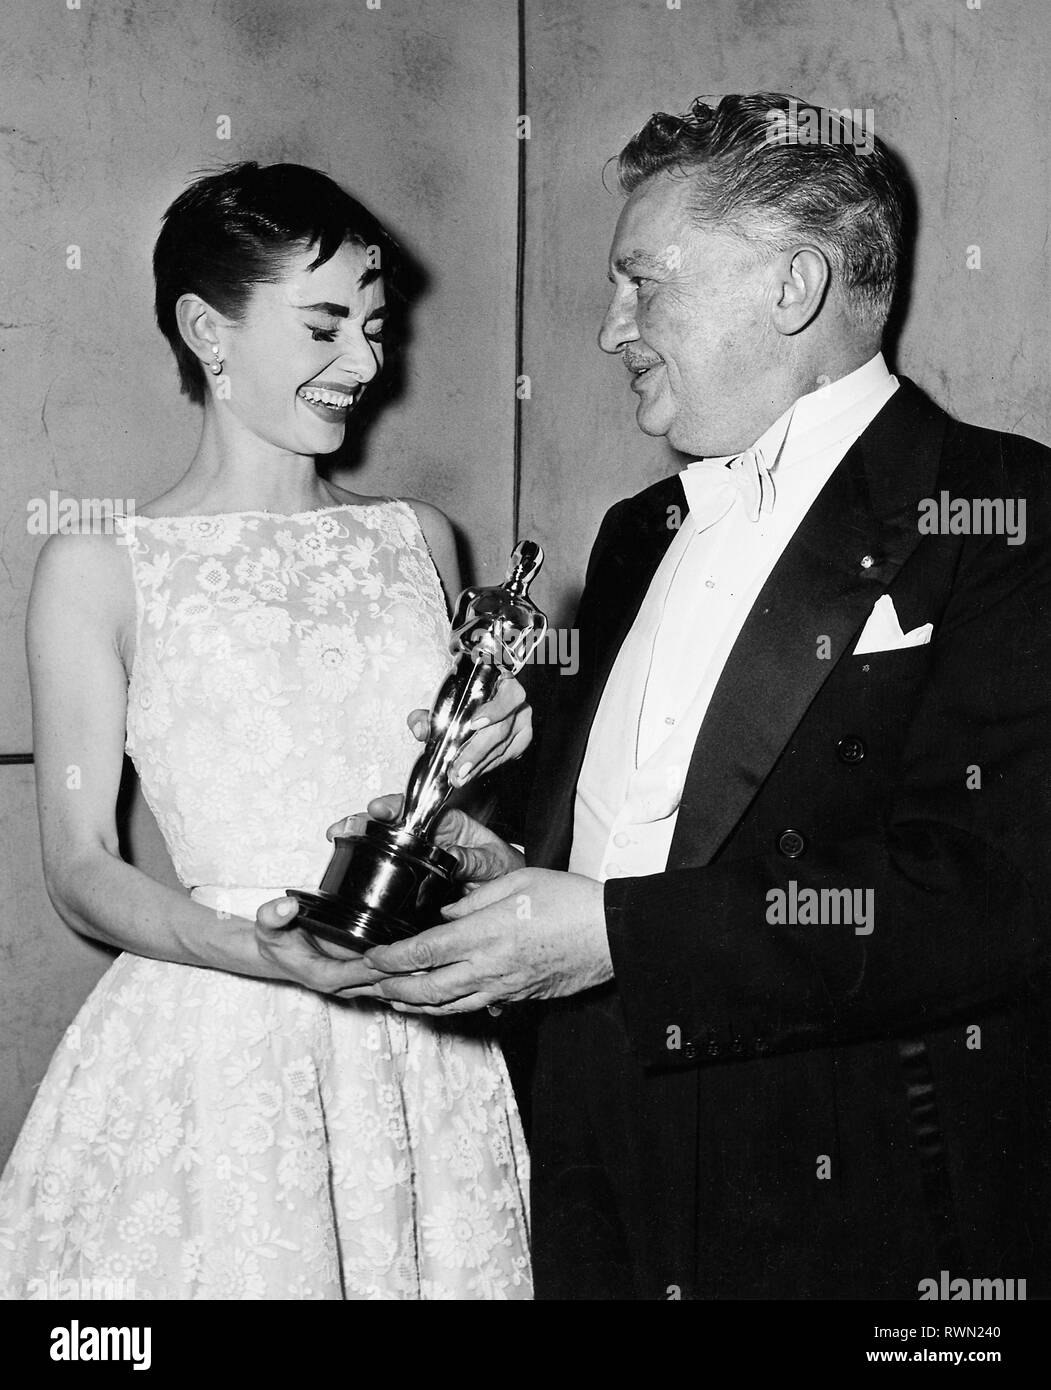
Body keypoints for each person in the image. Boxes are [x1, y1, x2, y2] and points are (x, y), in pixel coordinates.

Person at [334, 95, 1051, 1300]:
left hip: (861, 1195)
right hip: (587, 1152)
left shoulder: (1007, 514)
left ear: (793, 286)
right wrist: (486, 854)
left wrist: (616, 938)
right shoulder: (635, 533)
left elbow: (991, 895)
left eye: (642, 283)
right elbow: (627, 825)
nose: (610, 327)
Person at [0, 162, 533, 1300]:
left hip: (416, 1046)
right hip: (219, 1045)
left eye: (375, 327)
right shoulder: (99, 567)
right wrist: (269, 955)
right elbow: (80, 865)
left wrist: (481, 805)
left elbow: (429, 821)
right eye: (325, 324)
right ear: (207, 329)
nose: (364, 363)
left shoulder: (421, 542)